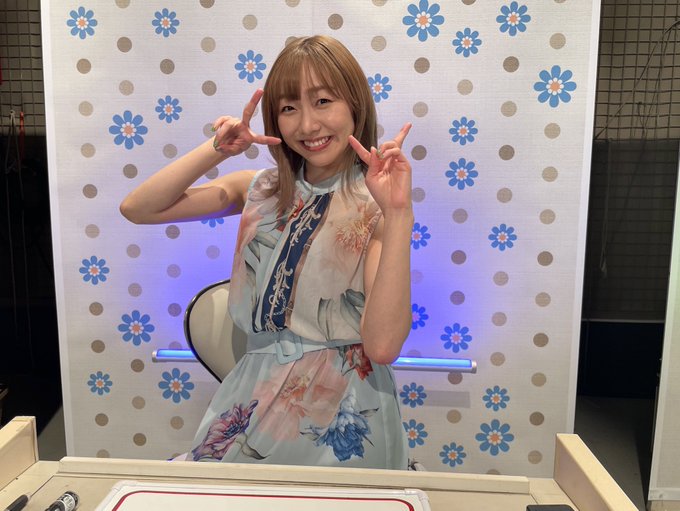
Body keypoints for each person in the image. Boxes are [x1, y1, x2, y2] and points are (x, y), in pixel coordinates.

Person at [120, 35, 413, 469]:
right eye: (289, 108)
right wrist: (216, 150)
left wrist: (399, 213)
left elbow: (384, 346)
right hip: (252, 395)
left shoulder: (378, 205)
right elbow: (138, 208)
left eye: (323, 101)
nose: (308, 125)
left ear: (355, 104)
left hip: (347, 412)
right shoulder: (258, 189)